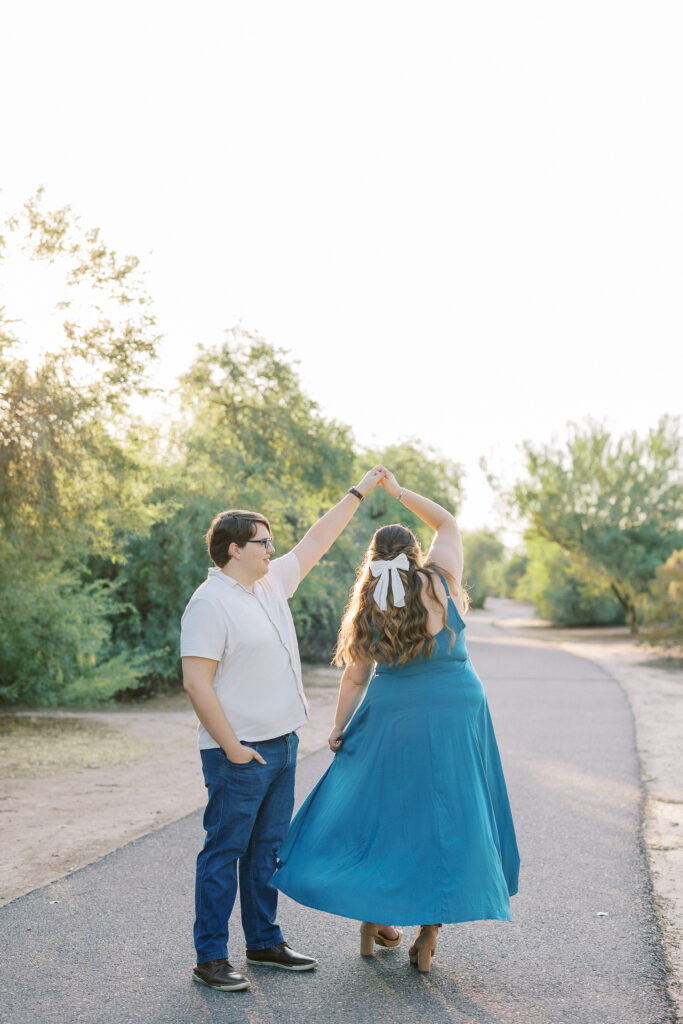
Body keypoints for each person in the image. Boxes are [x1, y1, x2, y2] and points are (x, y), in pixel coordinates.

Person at [272, 468, 520, 973]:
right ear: (415, 554)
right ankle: (428, 936)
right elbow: (448, 523)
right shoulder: (439, 580)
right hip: (456, 708)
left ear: (372, 560)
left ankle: (372, 920)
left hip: (394, 713)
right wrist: (398, 491)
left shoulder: (369, 603)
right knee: (449, 814)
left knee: (385, 812)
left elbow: (356, 679)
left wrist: (339, 728)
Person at [180, 466, 385, 992]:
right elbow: (197, 684)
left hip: (282, 744)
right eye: (262, 542)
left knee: (267, 850)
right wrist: (233, 748)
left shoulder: (270, 585)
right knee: (224, 851)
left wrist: (358, 492)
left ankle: (264, 942)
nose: (272, 549)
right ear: (232, 550)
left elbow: (319, 538)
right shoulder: (209, 604)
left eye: (271, 542)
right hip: (239, 752)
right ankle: (210, 957)